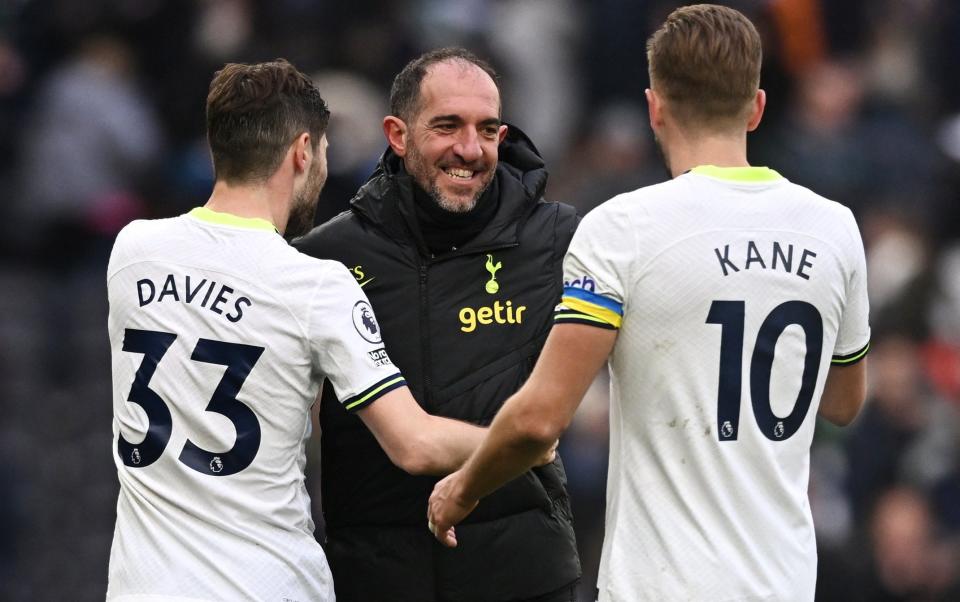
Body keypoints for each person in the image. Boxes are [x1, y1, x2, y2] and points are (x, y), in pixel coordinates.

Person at [428, 6, 871, 602]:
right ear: (758, 107)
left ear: (654, 106)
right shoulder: (834, 229)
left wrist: (462, 488)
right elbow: (843, 403)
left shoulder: (623, 229)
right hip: (782, 584)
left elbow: (539, 421)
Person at [105, 59, 487, 602]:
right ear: (303, 150)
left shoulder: (132, 253)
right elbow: (415, 444)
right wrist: (524, 441)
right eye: (325, 151)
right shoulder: (313, 286)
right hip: (267, 585)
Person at [293, 47, 581, 602]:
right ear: (397, 135)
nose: (470, 150)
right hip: (376, 580)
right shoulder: (323, 256)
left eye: (488, 129)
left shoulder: (557, 239)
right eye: (448, 126)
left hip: (527, 579)